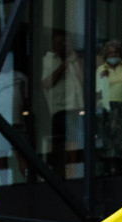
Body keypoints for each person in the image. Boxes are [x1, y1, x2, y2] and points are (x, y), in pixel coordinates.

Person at [42, 31, 84, 176]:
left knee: (75, 141)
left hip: (75, 106)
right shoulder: (48, 60)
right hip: (60, 108)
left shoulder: (72, 60)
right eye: (61, 44)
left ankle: (74, 171)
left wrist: (73, 59)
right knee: (64, 143)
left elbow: (81, 79)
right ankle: (65, 172)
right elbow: (46, 83)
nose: (64, 47)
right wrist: (62, 67)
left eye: (66, 44)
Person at [97, 40, 122, 175]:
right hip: (106, 107)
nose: (113, 54)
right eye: (110, 52)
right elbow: (98, 89)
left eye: (116, 52)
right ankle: (107, 166)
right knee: (108, 137)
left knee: (120, 137)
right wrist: (106, 79)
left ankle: (119, 166)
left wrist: (112, 80)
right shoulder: (101, 69)